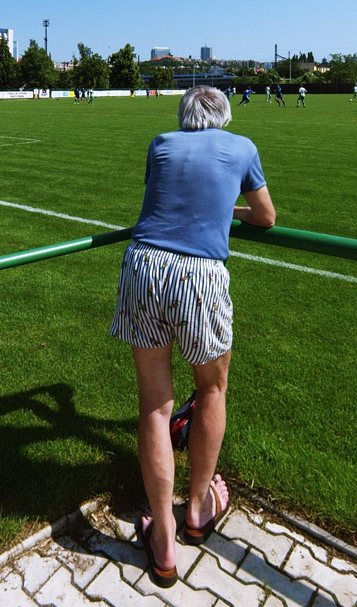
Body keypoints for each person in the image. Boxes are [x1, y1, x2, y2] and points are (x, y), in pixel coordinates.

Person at [109, 85, 276, 588]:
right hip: (199, 274)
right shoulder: (242, 147)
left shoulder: (161, 143)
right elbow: (266, 217)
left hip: (143, 265)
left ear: (183, 116)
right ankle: (199, 510)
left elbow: (167, 201)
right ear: (223, 116)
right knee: (212, 389)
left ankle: (162, 540)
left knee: (155, 407)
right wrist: (231, 211)